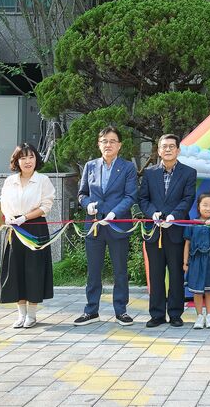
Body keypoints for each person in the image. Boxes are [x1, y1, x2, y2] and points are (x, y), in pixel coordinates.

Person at [74, 126, 138, 326]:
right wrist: (87, 204)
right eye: (104, 141)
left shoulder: (127, 167)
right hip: (94, 225)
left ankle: (121, 311)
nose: (108, 145)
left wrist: (113, 213)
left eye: (112, 141)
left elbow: (130, 196)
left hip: (117, 224)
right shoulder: (90, 166)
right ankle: (91, 310)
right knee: (93, 271)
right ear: (98, 144)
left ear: (119, 145)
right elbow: (82, 193)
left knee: (120, 270)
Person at [139, 134, 197, 328]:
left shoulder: (188, 173)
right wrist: (152, 213)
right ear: (159, 150)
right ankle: (156, 314)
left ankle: (175, 313)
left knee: (176, 274)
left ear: (178, 150)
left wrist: (173, 216)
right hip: (154, 231)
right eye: (164, 146)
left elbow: (188, 198)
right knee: (155, 274)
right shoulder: (149, 173)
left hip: (176, 230)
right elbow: (143, 199)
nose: (168, 149)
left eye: (172, 146)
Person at [0, 143, 55, 329]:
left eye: (31, 157)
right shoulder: (10, 181)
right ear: (17, 161)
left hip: (35, 229)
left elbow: (46, 205)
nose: (27, 161)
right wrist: (10, 217)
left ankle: (32, 314)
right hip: (14, 230)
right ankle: (20, 314)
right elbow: (3, 202)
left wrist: (25, 217)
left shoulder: (43, 180)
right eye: (23, 158)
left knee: (33, 270)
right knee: (16, 269)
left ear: (36, 159)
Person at [184, 194, 210, 329]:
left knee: (209, 290)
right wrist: (185, 263)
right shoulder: (193, 223)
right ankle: (199, 316)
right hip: (196, 261)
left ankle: (209, 315)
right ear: (198, 206)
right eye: (205, 205)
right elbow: (187, 244)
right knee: (197, 291)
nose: (208, 208)